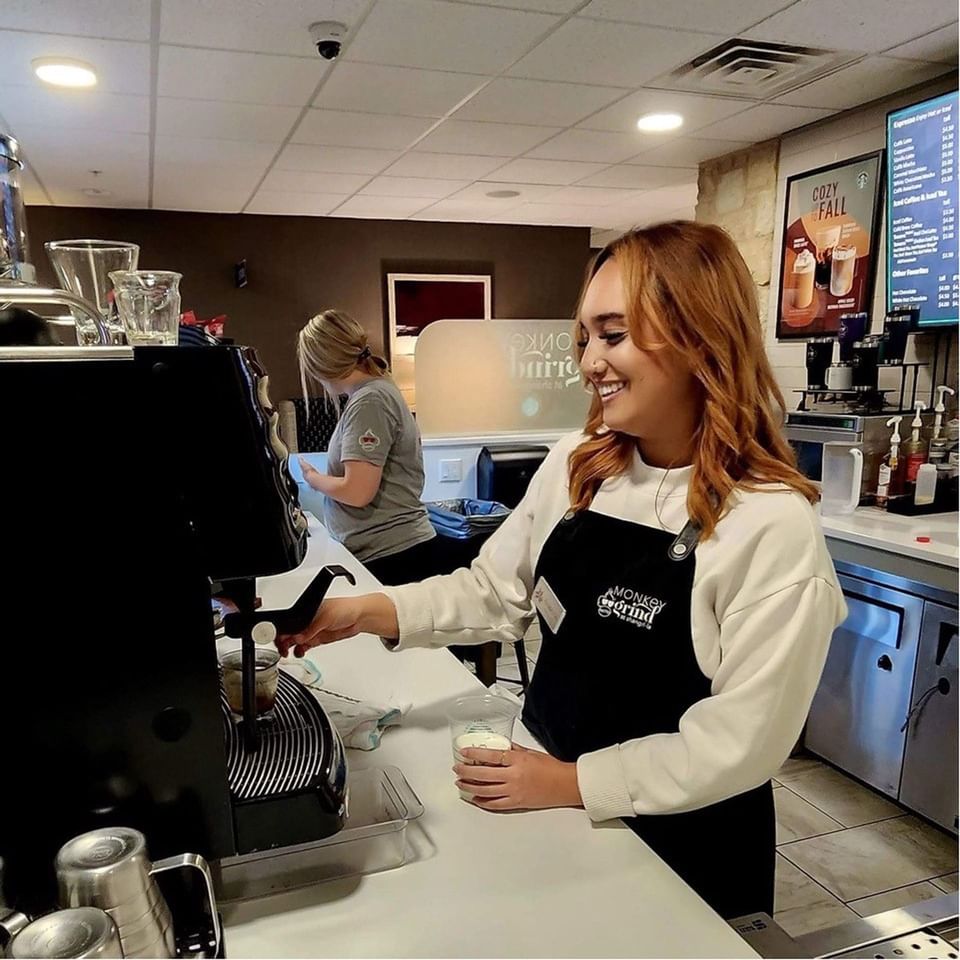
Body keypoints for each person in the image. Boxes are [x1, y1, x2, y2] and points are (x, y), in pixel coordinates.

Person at [278, 223, 847, 919]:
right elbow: (495, 590)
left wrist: (574, 782)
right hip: (553, 807)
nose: (588, 364)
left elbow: (740, 745)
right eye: (586, 339)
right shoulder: (581, 464)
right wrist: (365, 611)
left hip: (682, 852)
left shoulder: (769, 524)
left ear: (700, 335)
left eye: (613, 335)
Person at [296, 308, 447, 585]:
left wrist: (313, 479)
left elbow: (357, 492)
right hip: (393, 553)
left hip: (394, 556)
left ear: (321, 366)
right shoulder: (376, 391)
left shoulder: (370, 402)